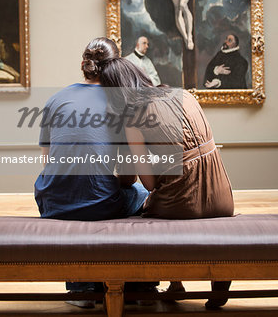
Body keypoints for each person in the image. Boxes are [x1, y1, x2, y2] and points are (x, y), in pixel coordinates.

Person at [99, 38, 234, 309]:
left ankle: (171, 281)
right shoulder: (184, 94)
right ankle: (214, 277)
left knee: (144, 206)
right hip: (223, 195)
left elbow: (148, 183)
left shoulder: (134, 118)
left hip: (181, 204)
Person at [34, 37, 151, 309]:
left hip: (52, 201)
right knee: (143, 193)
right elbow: (128, 178)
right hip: (98, 203)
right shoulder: (120, 104)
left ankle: (81, 289)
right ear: (116, 66)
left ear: (83, 66)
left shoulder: (55, 98)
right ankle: (141, 284)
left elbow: (47, 163)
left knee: (77, 195)